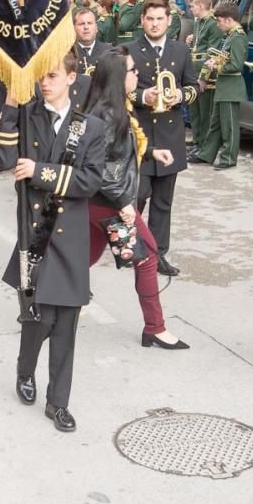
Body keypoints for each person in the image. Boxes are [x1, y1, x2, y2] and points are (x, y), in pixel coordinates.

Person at [0, 53, 106, 432]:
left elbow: (90, 181)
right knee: (36, 319)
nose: (45, 82)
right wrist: (10, 102)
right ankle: (25, 372)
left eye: (54, 75)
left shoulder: (89, 127)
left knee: (66, 326)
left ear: (72, 77)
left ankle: (58, 403)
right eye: (41, 76)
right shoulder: (28, 115)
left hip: (70, 237)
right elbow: (3, 158)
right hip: (34, 235)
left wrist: (40, 171)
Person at [83, 47, 189, 349]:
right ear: (119, 77)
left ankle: (41, 297)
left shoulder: (112, 108)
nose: (137, 75)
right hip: (108, 203)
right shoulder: (108, 114)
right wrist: (124, 204)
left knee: (84, 257)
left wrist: (152, 152)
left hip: (98, 203)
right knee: (147, 256)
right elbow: (99, 167)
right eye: (132, 71)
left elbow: (117, 155)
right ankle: (154, 328)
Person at [127, 0, 198, 277]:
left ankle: (158, 254)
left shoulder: (180, 52)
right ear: (142, 20)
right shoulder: (130, 49)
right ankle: (131, 245)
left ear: (169, 21)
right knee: (139, 194)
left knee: (163, 201)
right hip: (142, 135)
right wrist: (144, 95)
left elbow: (194, 86)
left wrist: (180, 94)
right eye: (150, 19)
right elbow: (120, 89)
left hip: (170, 136)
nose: (155, 24)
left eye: (160, 19)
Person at [190, 3, 247, 170]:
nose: (218, 24)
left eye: (220, 21)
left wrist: (216, 66)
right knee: (215, 124)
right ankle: (206, 154)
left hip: (231, 87)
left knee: (229, 125)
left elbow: (236, 64)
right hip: (223, 86)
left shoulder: (238, 37)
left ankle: (229, 158)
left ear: (229, 20)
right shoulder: (230, 35)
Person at [185, 0, 221, 154]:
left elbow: (212, 52)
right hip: (193, 68)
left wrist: (204, 77)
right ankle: (197, 141)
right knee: (195, 110)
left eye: (193, 6)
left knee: (205, 112)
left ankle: (205, 146)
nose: (191, 9)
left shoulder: (213, 24)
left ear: (201, 6)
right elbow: (197, 46)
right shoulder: (199, 22)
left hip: (204, 72)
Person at [73, 7, 107, 75]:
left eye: (90, 23)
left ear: (96, 27)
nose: (86, 27)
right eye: (81, 24)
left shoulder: (109, 52)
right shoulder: (68, 54)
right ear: (74, 28)